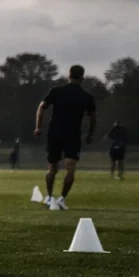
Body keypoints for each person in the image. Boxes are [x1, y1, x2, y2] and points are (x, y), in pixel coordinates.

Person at [35, 65, 96, 210]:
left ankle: (49, 197)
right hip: (73, 134)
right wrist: (90, 134)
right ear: (82, 77)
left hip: (55, 132)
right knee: (70, 169)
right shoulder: (86, 96)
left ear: (69, 75)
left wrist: (38, 127)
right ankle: (62, 199)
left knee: (52, 168)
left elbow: (42, 107)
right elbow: (93, 117)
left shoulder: (56, 91)